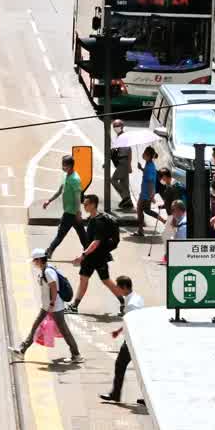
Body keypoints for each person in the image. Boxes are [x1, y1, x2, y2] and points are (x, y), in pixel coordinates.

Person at [12, 248, 82, 363]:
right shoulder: (46, 269)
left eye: (35, 261)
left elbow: (54, 287)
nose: (34, 263)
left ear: (39, 260)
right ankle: (22, 351)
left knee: (64, 331)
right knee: (35, 327)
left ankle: (77, 355)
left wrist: (52, 303)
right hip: (47, 306)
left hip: (54, 307)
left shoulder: (48, 272)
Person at [69, 194, 123, 314]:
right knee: (100, 280)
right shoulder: (94, 218)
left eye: (86, 204)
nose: (84, 206)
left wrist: (83, 255)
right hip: (97, 256)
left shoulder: (99, 221)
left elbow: (96, 242)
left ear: (93, 205)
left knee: (96, 280)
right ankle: (123, 302)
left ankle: (74, 306)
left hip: (95, 256)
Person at [99, 276, 145, 404]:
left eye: (118, 287)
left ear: (124, 287)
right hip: (135, 339)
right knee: (131, 367)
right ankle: (116, 394)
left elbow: (134, 324)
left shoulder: (131, 305)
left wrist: (127, 338)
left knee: (121, 365)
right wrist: (119, 331)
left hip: (133, 341)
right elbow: (129, 321)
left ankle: (115, 394)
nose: (116, 290)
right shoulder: (136, 297)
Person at [42, 155, 88, 258]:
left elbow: (77, 197)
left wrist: (78, 213)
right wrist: (49, 200)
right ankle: (89, 251)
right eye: (62, 165)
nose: (63, 167)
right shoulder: (66, 176)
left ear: (71, 166)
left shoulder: (75, 179)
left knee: (61, 234)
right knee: (82, 234)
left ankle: (49, 251)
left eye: (65, 166)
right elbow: (59, 191)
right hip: (70, 212)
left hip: (71, 213)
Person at [133, 147, 164, 236]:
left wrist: (151, 195)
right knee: (146, 210)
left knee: (139, 209)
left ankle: (140, 230)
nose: (142, 155)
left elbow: (151, 182)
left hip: (146, 193)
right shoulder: (148, 164)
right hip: (146, 192)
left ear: (148, 156)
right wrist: (141, 169)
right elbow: (148, 175)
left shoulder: (150, 167)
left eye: (144, 154)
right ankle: (162, 220)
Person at [110, 120, 133, 210]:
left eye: (117, 125)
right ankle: (128, 202)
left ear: (122, 126)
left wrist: (129, 165)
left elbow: (129, 151)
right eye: (114, 126)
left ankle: (125, 197)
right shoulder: (118, 136)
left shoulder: (124, 136)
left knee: (113, 180)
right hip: (121, 161)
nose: (115, 127)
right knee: (124, 184)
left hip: (124, 162)